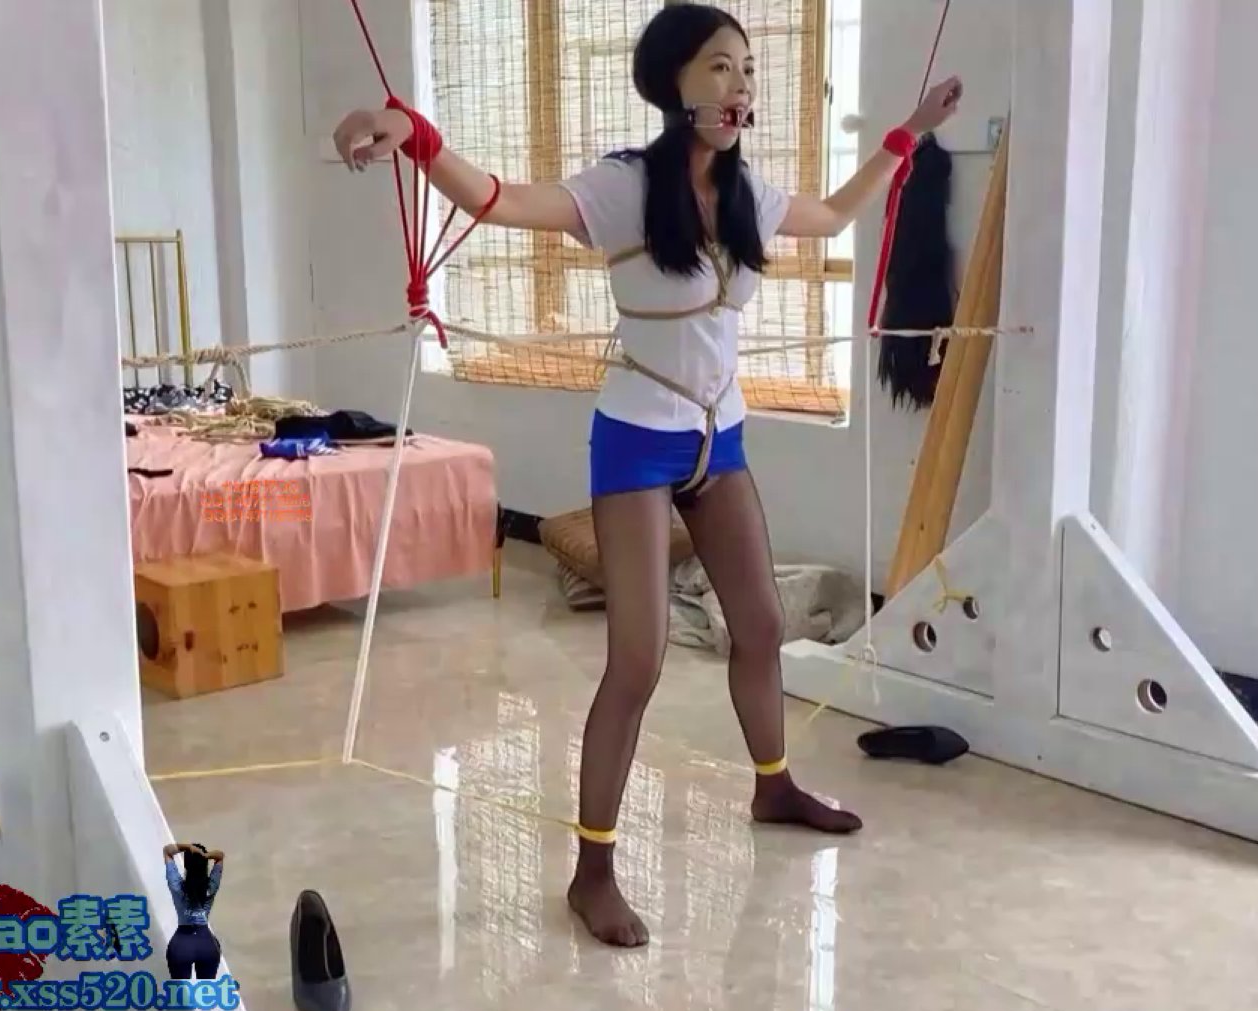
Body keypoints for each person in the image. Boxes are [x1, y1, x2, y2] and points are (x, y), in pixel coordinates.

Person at [332, 1, 961, 949]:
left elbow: (834, 213)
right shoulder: (624, 188)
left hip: (721, 441)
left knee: (761, 626)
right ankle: (592, 871)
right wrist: (414, 135)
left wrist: (907, 134)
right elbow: (499, 199)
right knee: (639, 658)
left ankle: (774, 786)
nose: (739, 83)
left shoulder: (749, 195)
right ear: (673, 82)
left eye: (747, 68)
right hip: (636, 439)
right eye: (719, 66)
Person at [161, 841, 224, 978]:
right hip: (206, 945)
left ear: (186, 865)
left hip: (182, 944)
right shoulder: (211, 886)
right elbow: (220, 856)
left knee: (179, 990)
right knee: (207, 990)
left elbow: (167, 851)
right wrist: (206, 855)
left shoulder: (177, 886)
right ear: (205, 864)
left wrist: (187, 847)